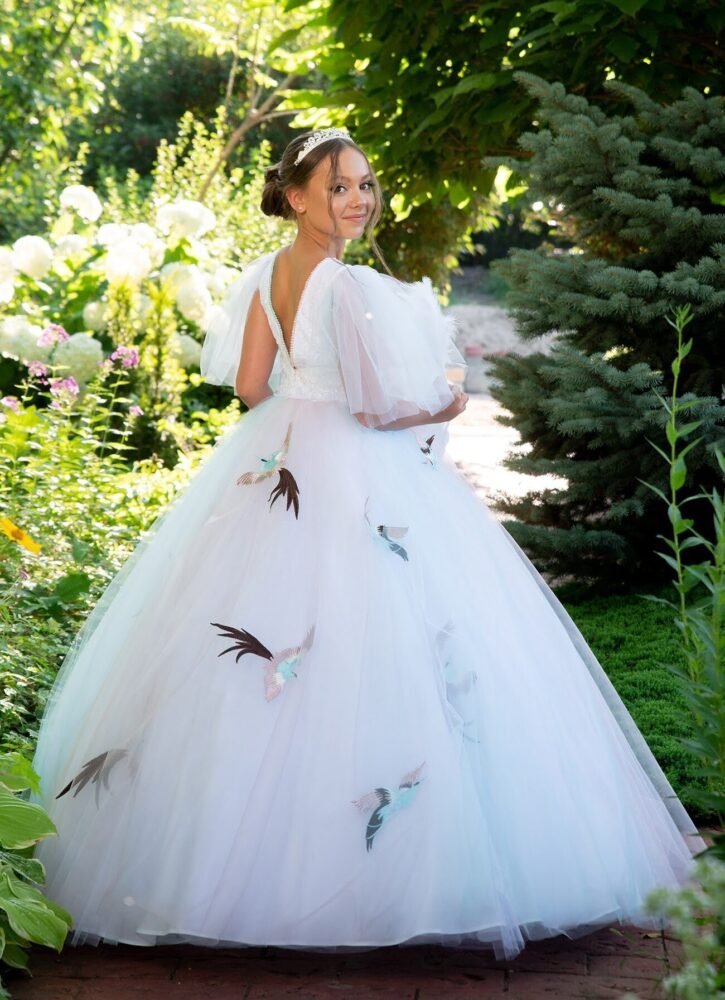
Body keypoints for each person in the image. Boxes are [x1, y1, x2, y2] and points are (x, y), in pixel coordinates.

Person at [31, 128, 706, 962]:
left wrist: (301, 394)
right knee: (389, 637)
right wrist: (446, 405)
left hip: (279, 453)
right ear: (296, 196)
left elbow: (249, 388)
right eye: (339, 186)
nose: (357, 199)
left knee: (260, 650)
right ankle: (377, 888)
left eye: (364, 185)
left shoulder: (265, 275)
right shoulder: (344, 284)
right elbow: (378, 408)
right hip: (351, 469)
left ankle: (225, 877)